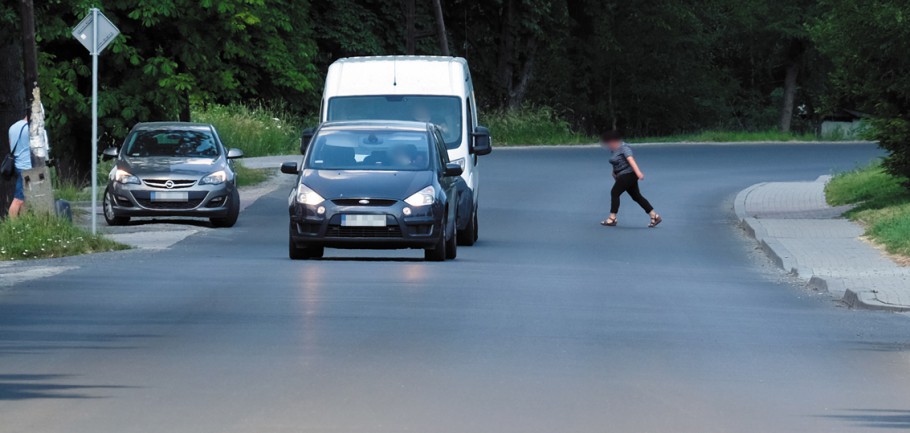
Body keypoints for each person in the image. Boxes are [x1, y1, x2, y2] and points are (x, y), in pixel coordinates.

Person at [600, 130, 662, 228]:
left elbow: (630, 159)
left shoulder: (624, 147)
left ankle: (612, 218)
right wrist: (614, 172)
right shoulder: (614, 149)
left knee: (614, 193)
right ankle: (654, 216)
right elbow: (616, 162)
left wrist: (638, 173)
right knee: (636, 196)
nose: (607, 145)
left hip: (629, 174)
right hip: (623, 175)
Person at [7, 111, 30, 218]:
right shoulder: (30, 128)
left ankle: (24, 223)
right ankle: (12, 226)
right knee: (18, 199)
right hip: (26, 167)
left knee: (26, 198)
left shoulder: (13, 127)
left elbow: (11, 145)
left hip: (17, 164)